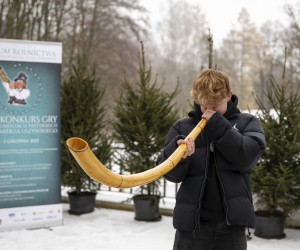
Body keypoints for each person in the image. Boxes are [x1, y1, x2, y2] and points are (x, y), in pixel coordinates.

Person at [156, 69, 266, 250]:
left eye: (215, 103)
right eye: (204, 104)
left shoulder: (248, 123)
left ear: (229, 95)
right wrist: (179, 155)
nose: (209, 110)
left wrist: (217, 125)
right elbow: (168, 173)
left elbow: (247, 158)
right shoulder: (182, 127)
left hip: (232, 228)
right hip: (192, 228)